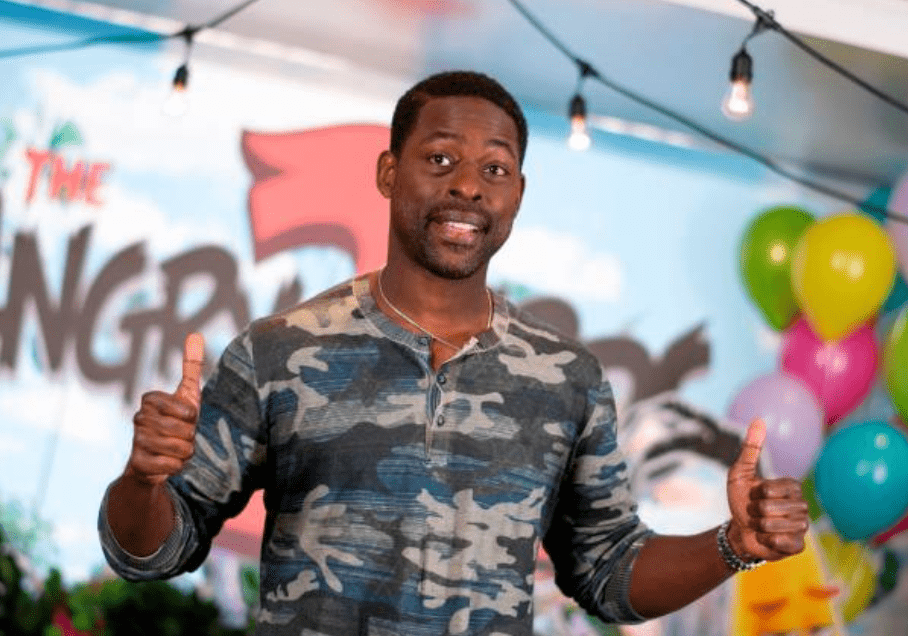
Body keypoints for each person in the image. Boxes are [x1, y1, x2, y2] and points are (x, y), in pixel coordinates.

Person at [99, 70, 809, 635]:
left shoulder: (569, 379)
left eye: (494, 169)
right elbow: (152, 550)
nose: (467, 185)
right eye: (439, 158)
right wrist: (142, 482)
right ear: (387, 172)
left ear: (519, 194)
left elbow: (609, 573)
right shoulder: (279, 350)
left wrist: (733, 543)